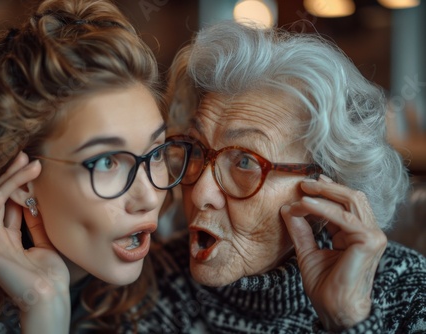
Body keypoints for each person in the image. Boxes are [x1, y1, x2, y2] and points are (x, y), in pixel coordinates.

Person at [128, 21, 426, 333]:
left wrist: (346, 321)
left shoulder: (409, 292)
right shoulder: (154, 282)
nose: (201, 193)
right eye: (196, 149)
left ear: (325, 190)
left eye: (244, 161)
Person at [0, 0, 191, 333]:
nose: (150, 198)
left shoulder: (171, 291)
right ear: (23, 182)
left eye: (155, 154)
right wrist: (43, 307)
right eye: (107, 162)